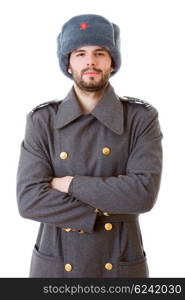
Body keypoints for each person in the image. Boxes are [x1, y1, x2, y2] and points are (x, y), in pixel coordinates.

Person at [16, 14, 163, 278]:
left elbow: (143, 193)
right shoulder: (42, 120)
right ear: (69, 64)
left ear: (112, 62)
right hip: (56, 263)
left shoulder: (141, 118)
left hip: (118, 261)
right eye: (80, 54)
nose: (90, 62)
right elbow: (29, 200)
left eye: (100, 53)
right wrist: (108, 206)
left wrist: (68, 183)